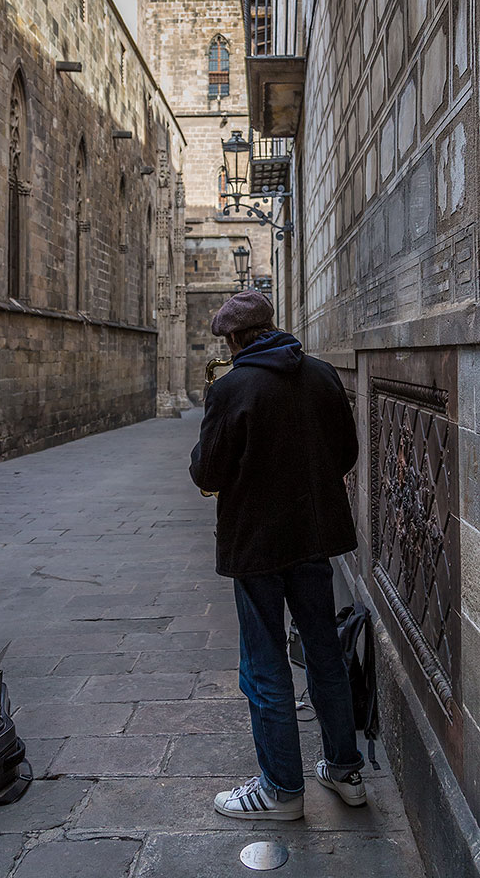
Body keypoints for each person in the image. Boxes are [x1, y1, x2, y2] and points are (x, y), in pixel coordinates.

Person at [190, 289, 365, 821]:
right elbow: (347, 452)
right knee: (324, 655)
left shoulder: (232, 387)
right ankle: (344, 771)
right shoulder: (322, 375)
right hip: (315, 538)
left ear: (236, 339)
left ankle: (282, 790)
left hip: (258, 545)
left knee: (264, 663)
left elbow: (207, 473)